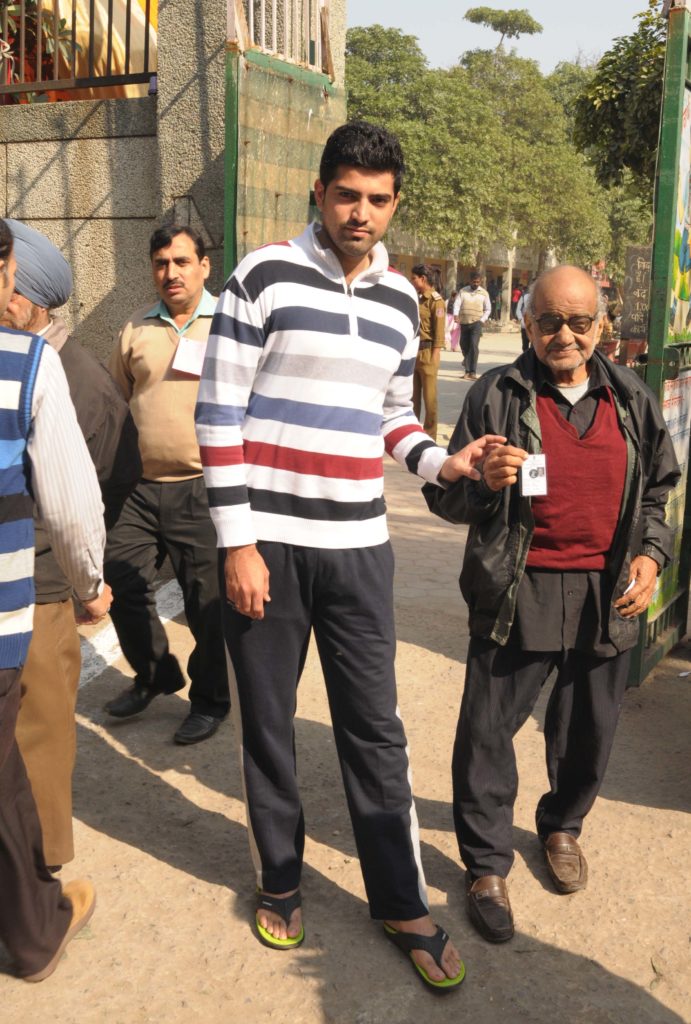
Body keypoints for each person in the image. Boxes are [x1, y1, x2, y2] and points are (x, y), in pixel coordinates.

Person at [196, 120, 504, 992]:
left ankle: (398, 899)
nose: (359, 212)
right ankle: (280, 879)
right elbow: (217, 418)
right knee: (268, 728)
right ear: (319, 192)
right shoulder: (260, 277)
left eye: (376, 199)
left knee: (375, 729)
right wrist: (239, 544)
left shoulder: (404, 301)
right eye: (345, 194)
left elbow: (389, 419)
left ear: (393, 203)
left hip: (359, 550)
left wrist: (441, 460)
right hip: (269, 551)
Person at [424, 265, 679, 944]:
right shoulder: (495, 395)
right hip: (519, 586)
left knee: (587, 731)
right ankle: (484, 864)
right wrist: (478, 479)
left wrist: (650, 556)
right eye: (547, 321)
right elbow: (445, 498)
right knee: (486, 731)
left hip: (605, 590)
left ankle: (562, 826)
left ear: (600, 324)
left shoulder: (629, 397)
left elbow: (658, 490)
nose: (562, 334)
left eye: (577, 321)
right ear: (526, 321)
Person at [0, 220, 140, 870]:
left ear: (24, 296)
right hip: (33, 581)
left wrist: (85, 584)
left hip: (44, 587)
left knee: (42, 739)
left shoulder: (76, 378)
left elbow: (95, 495)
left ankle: (42, 872)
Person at [105, 225, 230, 745]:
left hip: (204, 487)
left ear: (205, 265)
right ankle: (155, 674)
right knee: (118, 582)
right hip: (141, 489)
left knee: (209, 606)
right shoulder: (136, 327)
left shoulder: (230, 323)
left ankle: (210, 700)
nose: (171, 272)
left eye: (182, 261)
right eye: (161, 263)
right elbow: (118, 401)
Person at [411, 264, 446, 440]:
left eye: (414, 278)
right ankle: (412, 431)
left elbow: (439, 332)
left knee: (429, 399)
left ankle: (430, 434)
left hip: (428, 352)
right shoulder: (416, 298)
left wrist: (435, 356)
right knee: (412, 398)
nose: (412, 281)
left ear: (422, 279)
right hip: (414, 352)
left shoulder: (435, 301)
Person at [453, 270, 491, 380]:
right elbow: (457, 304)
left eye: (478, 282)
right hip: (464, 322)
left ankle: (471, 372)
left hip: (476, 323)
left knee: (473, 346)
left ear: (480, 281)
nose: (476, 283)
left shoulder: (484, 293)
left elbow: (488, 309)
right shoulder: (462, 291)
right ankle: (467, 363)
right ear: (470, 281)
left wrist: (482, 320)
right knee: (464, 345)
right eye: (474, 281)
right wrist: (456, 315)